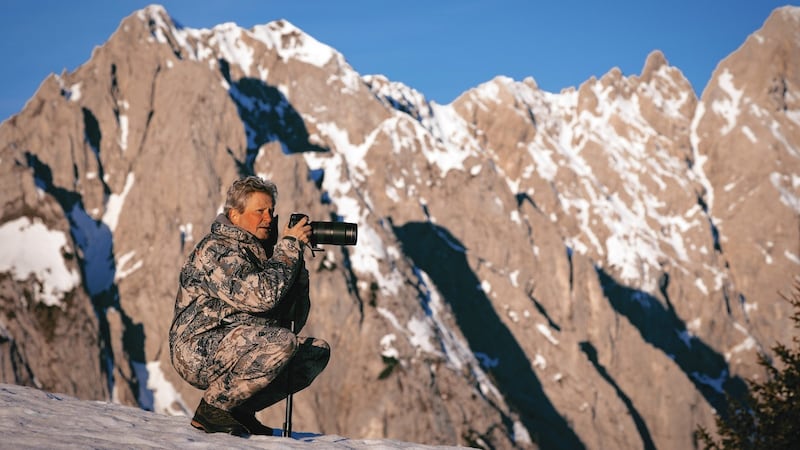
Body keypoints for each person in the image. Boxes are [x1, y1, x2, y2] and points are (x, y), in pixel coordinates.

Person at [169, 175, 330, 436]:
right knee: (282, 342)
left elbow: (293, 320)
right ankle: (212, 409)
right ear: (235, 216)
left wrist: (296, 266)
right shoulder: (218, 250)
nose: (268, 218)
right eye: (259, 211)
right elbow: (262, 297)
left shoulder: (260, 254)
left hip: (238, 344)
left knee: (315, 352)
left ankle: (237, 409)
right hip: (197, 347)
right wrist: (288, 247)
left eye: (271, 211)